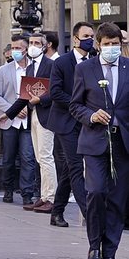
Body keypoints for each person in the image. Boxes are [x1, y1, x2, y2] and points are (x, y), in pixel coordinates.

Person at [70, 22, 129, 259]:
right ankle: (94, 246)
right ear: (98, 45)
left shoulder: (127, 69)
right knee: (95, 192)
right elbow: (75, 105)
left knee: (117, 198)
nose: (112, 48)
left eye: (116, 44)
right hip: (94, 140)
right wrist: (91, 116)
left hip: (122, 141)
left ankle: (110, 252)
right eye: (107, 44)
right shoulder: (85, 69)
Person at [47, 22, 93, 228]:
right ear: (75, 39)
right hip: (65, 122)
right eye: (86, 35)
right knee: (75, 167)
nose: (89, 39)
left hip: (86, 122)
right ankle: (90, 217)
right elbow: (55, 92)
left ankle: (56, 212)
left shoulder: (95, 62)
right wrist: (78, 105)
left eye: (92, 35)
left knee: (67, 170)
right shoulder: (62, 63)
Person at [0, 35, 37, 207]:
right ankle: (7, 189)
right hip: (9, 120)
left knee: (27, 157)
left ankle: (27, 193)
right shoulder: (4, 70)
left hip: (28, 120)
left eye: (19, 48)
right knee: (8, 157)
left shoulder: (33, 69)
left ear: (26, 50)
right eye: (13, 48)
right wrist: (13, 110)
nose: (15, 51)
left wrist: (27, 108)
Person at [24, 33, 57, 214]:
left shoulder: (52, 65)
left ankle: (51, 198)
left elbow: (56, 90)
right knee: (38, 157)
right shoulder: (30, 68)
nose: (33, 46)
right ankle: (43, 196)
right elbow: (26, 92)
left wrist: (40, 100)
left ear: (45, 46)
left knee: (46, 157)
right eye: (31, 42)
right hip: (34, 114)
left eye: (37, 43)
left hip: (47, 114)